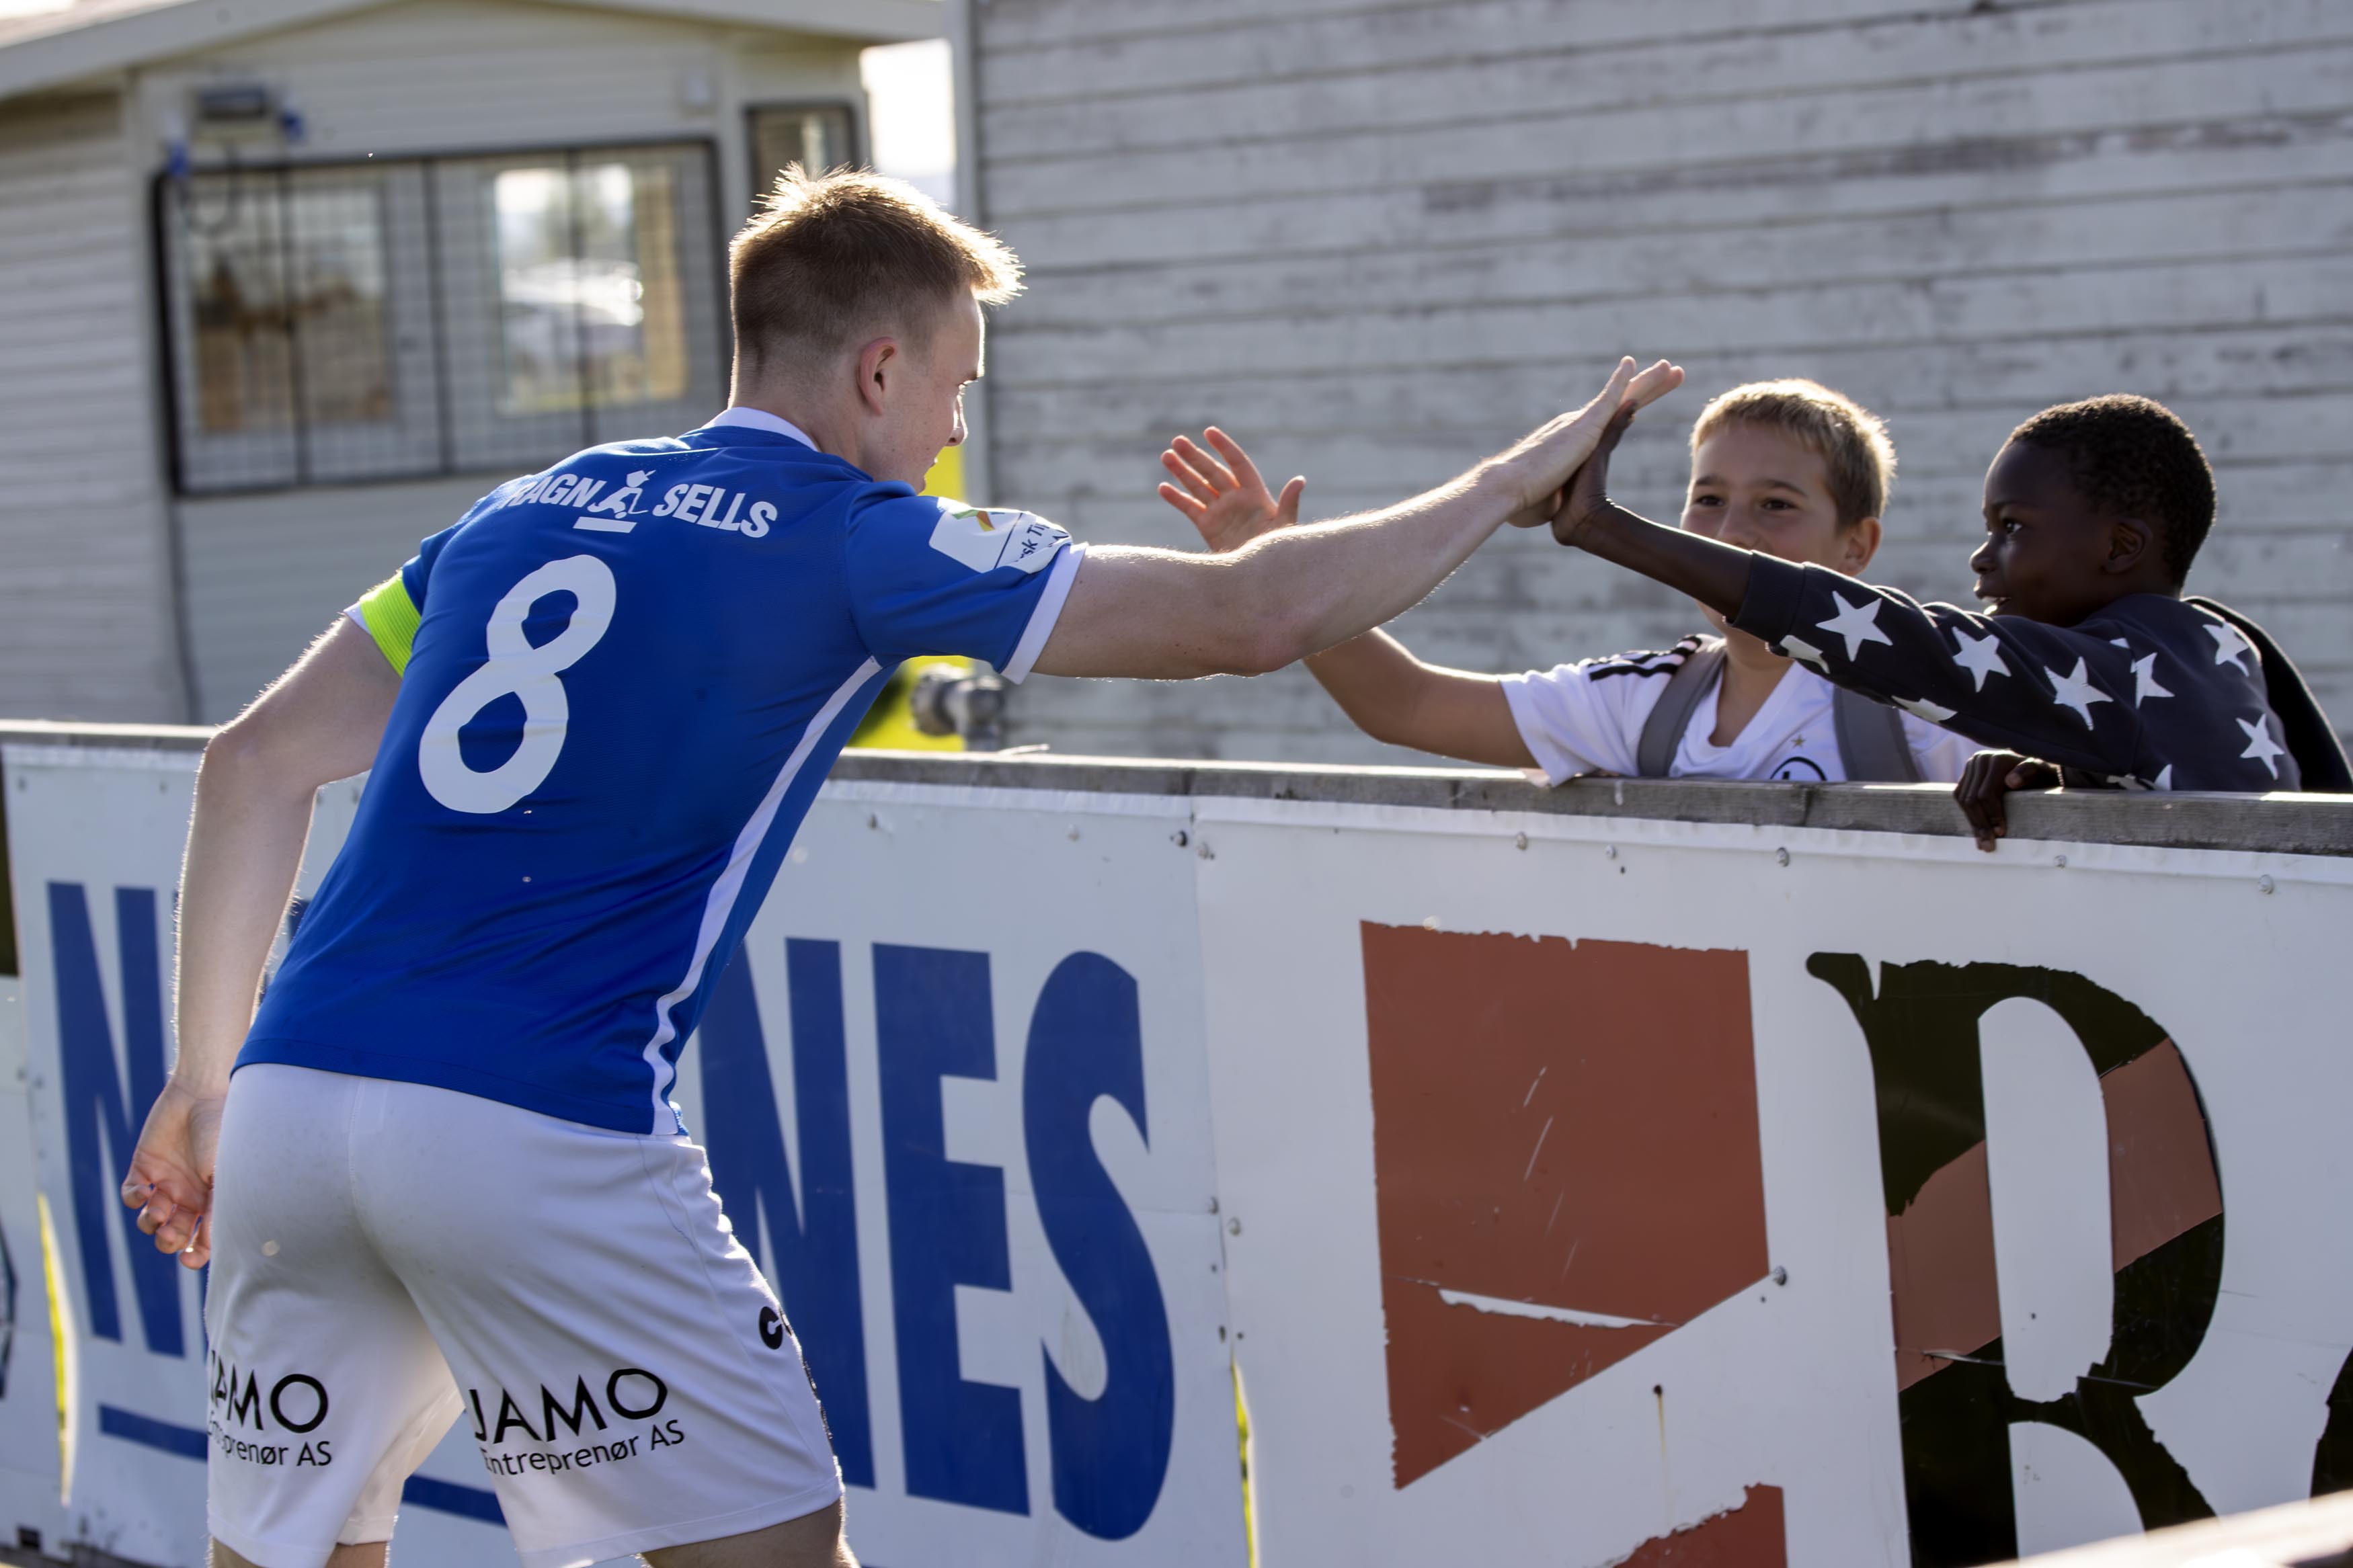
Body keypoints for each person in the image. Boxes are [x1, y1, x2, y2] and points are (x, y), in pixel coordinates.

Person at [120, 165, 1682, 1568]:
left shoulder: (516, 511)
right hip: (536, 1127)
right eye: (955, 389)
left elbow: (249, 764)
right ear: (877, 369)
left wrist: (203, 1083)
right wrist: (1499, 483)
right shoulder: (852, 531)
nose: (954, 434)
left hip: (294, 1108)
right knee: (782, 1551)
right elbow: (1252, 619)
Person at [1545, 390, 2349, 849]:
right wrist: (2061, 778)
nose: (1981, 557)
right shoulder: (2207, 644)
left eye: (2012, 528)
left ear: (2120, 546)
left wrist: (1606, 528)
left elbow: (1912, 645)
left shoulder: (2132, 673)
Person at [1157, 380, 1973, 784]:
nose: (1730, 533)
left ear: (1855, 546)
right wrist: (1273, 573)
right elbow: (1403, 705)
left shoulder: (1930, 698)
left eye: (1777, 504)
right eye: (1708, 500)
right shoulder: (1649, 702)